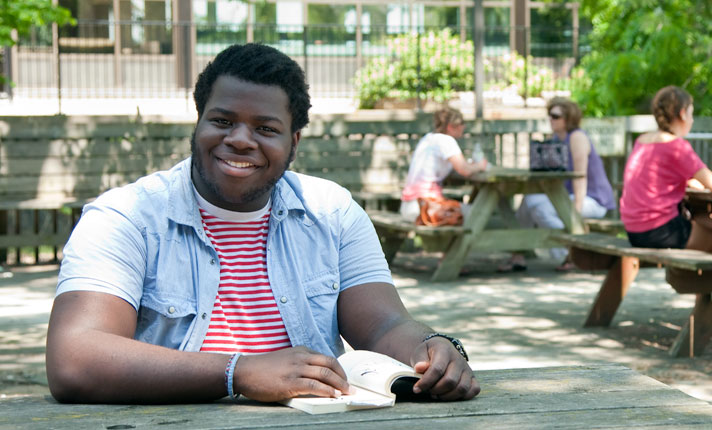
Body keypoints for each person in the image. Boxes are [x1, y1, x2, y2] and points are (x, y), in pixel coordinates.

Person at [45, 43, 480, 404]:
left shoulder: (332, 212)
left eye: (265, 128)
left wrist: (432, 349)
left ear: (293, 142)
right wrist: (238, 372)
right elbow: (75, 358)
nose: (239, 138)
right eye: (222, 120)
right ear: (197, 124)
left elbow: (384, 326)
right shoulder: (126, 217)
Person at [620, 86, 712, 254]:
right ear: (682, 114)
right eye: (691, 113)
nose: (692, 120)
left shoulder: (642, 140)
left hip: (634, 230)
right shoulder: (676, 146)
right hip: (660, 229)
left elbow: (663, 177)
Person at [499, 98, 616, 272]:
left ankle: (569, 254)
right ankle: (519, 253)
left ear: (568, 118)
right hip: (566, 196)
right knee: (528, 200)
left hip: (592, 199)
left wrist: (574, 213)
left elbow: (579, 177)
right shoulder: (556, 139)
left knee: (540, 208)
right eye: (550, 115)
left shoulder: (577, 138)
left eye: (555, 116)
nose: (551, 120)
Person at [399, 107, 488, 222]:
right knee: (478, 214)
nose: (464, 127)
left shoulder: (428, 138)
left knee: (467, 213)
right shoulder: (446, 140)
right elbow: (464, 169)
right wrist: (481, 165)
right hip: (425, 208)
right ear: (451, 126)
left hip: (409, 206)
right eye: (462, 123)